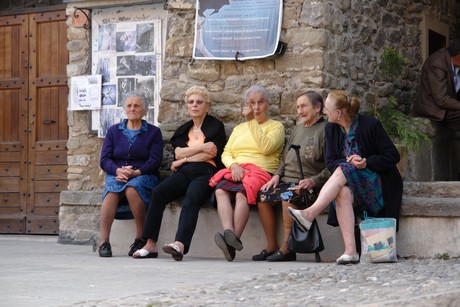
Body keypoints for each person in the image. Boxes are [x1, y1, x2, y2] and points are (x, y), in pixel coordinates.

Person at [287, 90, 403, 265]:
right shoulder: (331, 128)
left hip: (377, 181)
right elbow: (332, 162)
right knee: (342, 189)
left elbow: (392, 156)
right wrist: (351, 164)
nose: (325, 113)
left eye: (327, 109)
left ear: (338, 113)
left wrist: (365, 162)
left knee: (344, 168)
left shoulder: (370, 125)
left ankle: (310, 213)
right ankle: (351, 251)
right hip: (351, 180)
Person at [132, 86, 226, 261]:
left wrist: (184, 158)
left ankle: (180, 244)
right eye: (191, 102)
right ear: (187, 106)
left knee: (192, 198)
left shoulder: (215, 126)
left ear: (207, 106)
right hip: (185, 172)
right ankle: (150, 244)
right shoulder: (183, 129)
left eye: (199, 102)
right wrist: (200, 148)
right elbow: (178, 153)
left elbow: (211, 153)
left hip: (206, 171)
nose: (195, 105)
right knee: (158, 192)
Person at [210, 85, 285, 262]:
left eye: (260, 102)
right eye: (252, 103)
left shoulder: (276, 127)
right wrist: (234, 165)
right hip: (237, 169)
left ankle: (231, 240)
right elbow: (226, 152)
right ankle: (229, 232)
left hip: (261, 171)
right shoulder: (239, 129)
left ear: (268, 104)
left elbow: (266, 148)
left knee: (242, 193)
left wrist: (251, 121)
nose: (256, 107)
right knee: (221, 190)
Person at [253, 91, 330, 262]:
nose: (300, 111)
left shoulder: (327, 130)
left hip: (308, 184)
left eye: (304, 106)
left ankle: (288, 248)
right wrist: (276, 176)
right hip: (286, 180)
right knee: (262, 196)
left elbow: (331, 166)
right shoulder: (297, 129)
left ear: (317, 108)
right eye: (297, 107)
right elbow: (285, 157)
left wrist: (314, 181)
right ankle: (272, 245)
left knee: (288, 196)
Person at [98, 92, 164, 257]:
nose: (132, 109)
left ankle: (141, 238)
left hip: (144, 173)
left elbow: (155, 160)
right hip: (118, 173)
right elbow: (104, 159)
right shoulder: (114, 131)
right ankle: (104, 242)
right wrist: (117, 170)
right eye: (129, 105)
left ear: (144, 110)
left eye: (136, 105)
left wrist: (136, 173)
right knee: (112, 190)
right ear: (124, 109)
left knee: (132, 189)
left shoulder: (153, 132)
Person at [413, 39, 460, 130]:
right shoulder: (437, 64)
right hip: (435, 110)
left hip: (448, 107)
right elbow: (441, 99)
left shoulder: (455, 62)